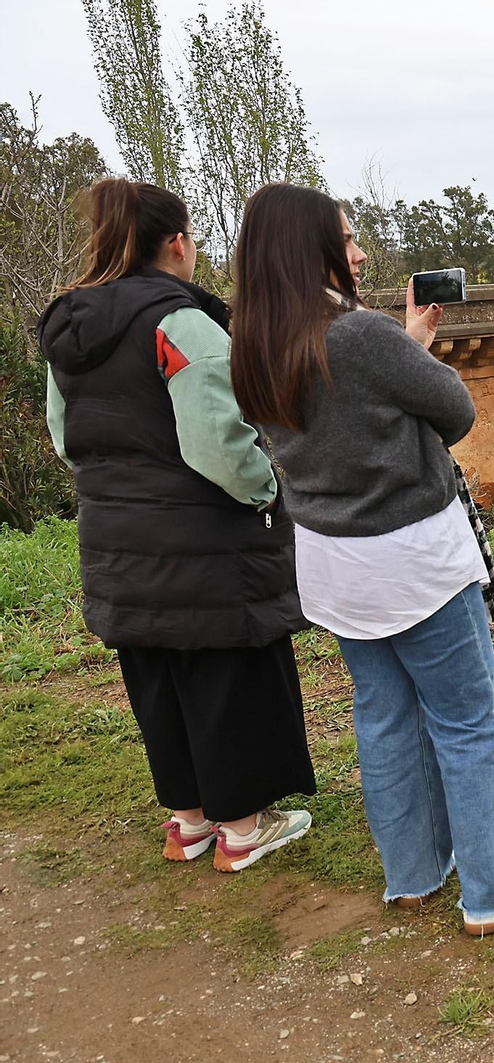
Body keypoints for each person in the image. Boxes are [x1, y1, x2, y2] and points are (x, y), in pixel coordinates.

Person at [228, 183, 494, 936]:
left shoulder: (252, 345)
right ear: (308, 248)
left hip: (331, 562)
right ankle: (493, 889)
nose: (358, 252)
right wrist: (407, 346)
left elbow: (341, 412)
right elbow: (455, 410)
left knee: (383, 715)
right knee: (468, 718)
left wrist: (403, 343)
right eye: (346, 239)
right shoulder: (358, 335)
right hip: (411, 560)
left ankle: (411, 876)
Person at [37, 178, 315, 872]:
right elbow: (216, 443)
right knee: (225, 674)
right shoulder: (179, 321)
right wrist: (266, 490)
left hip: (115, 537)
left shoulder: (68, 329)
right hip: (203, 542)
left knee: (156, 673)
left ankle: (188, 822)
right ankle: (244, 829)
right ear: (179, 244)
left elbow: (64, 436)